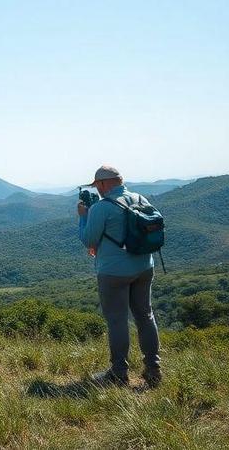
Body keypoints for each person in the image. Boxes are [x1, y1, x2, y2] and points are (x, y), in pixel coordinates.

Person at [76, 165, 161, 388]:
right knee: (145, 316)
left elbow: (88, 239)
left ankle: (119, 373)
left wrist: (84, 217)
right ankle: (153, 369)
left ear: (104, 184)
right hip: (144, 266)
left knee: (117, 320)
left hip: (113, 271)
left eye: (97, 186)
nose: (97, 190)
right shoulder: (140, 199)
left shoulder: (101, 208)